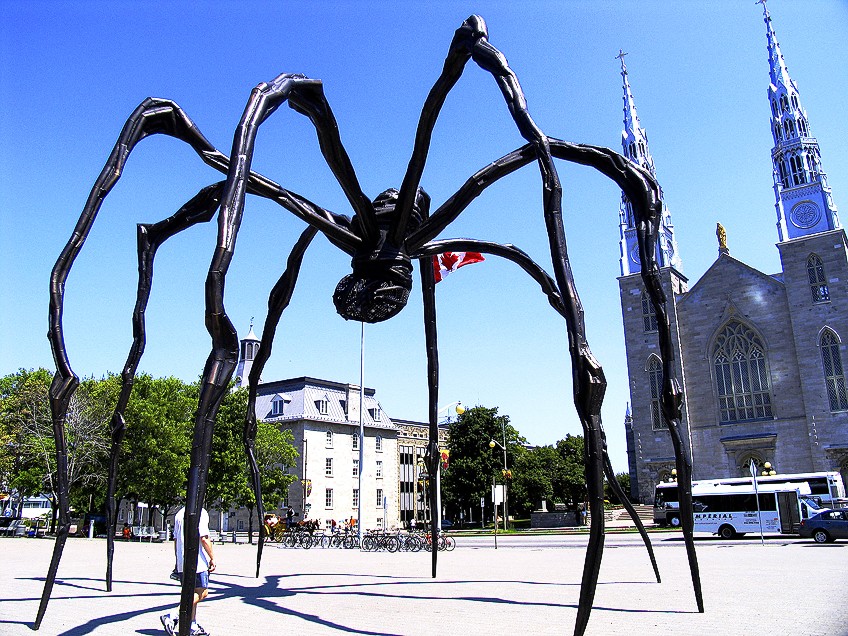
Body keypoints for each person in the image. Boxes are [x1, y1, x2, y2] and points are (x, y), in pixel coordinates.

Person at [160, 505, 216, 636]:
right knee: (202, 592)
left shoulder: (179, 513)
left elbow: (175, 539)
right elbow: (204, 538)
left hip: (182, 561)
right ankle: (172, 615)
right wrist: (212, 557)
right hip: (197, 561)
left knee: (192, 593)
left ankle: (192, 625)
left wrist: (177, 560)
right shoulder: (200, 512)